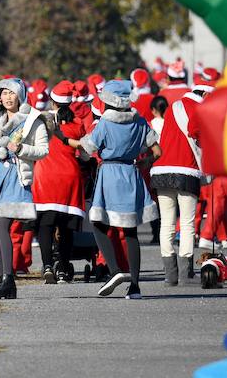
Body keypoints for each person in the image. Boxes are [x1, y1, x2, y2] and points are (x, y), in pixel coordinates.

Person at [70, 80, 161, 300]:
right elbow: (157, 151)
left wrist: (65, 139)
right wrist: (143, 162)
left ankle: (115, 271)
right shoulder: (140, 121)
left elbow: (87, 147)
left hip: (109, 174)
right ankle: (135, 287)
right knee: (131, 231)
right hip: (131, 173)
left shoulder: (104, 123)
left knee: (99, 224)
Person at [0, 77, 49, 300]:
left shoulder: (34, 120)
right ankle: (3, 278)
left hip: (17, 175)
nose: (7, 97)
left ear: (20, 95)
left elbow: (43, 150)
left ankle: (8, 278)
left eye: (11, 93)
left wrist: (22, 148)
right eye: (3, 93)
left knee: (3, 226)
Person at [149, 75, 216, 285]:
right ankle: (186, 274)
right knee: (186, 223)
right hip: (186, 170)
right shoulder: (200, 110)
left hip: (161, 170)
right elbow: (197, 134)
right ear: (205, 94)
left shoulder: (173, 107)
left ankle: (170, 274)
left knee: (166, 223)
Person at [32, 81, 85, 284]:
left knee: (45, 225)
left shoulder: (40, 120)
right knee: (65, 227)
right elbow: (86, 155)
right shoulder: (77, 123)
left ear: (52, 101)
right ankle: (63, 268)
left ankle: (47, 266)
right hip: (70, 178)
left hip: (45, 177)